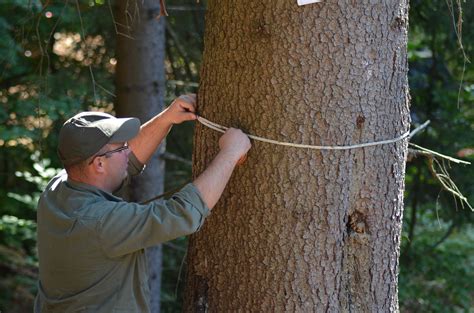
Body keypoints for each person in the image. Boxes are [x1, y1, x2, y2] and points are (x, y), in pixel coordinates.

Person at [34, 94, 251, 312]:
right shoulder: (100, 222)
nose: (128, 149)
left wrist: (167, 118)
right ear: (99, 164)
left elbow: (126, 162)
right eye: (121, 147)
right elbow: (183, 213)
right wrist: (230, 154)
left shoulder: (58, 190)